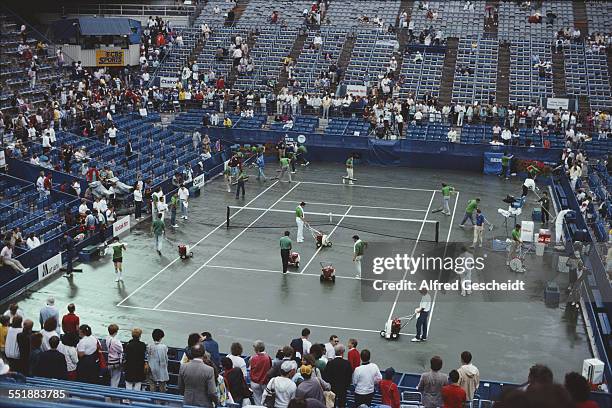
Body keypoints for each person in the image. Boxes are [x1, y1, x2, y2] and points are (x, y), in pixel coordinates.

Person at [323, 344, 352, 408]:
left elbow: (325, 376)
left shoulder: (330, 363)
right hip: (343, 388)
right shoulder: (347, 363)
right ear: (343, 352)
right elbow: (349, 377)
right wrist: (346, 386)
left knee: (331, 405)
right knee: (342, 405)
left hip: (332, 388)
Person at [249, 340, 272, 405]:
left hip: (255, 382)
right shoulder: (268, 358)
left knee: (257, 400)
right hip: (264, 382)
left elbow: (251, 369)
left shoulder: (253, 358)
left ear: (256, 349)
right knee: (264, 400)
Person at [147, 329, 169, 393]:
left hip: (152, 368)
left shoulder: (149, 346)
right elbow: (165, 358)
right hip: (162, 369)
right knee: (162, 387)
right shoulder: (164, 347)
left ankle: (152, 399)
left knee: (152, 386)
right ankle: (162, 401)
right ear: (160, 337)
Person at [105, 324, 123, 388]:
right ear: (116, 332)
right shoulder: (115, 341)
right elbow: (121, 350)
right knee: (115, 379)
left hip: (109, 360)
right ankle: (113, 393)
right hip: (116, 362)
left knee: (112, 377)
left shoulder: (107, 338)